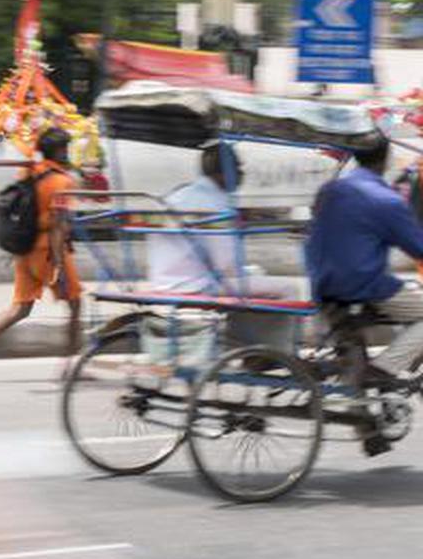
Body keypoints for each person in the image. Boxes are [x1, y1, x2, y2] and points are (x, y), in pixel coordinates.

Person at [0, 128, 82, 381]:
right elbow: (59, 224)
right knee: (76, 305)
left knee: (20, 308)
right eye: (65, 148)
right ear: (58, 151)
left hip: (24, 249)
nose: (68, 153)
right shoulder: (62, 182)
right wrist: (57, 263)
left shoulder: (28, 171)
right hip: (48, 250)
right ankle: (70, 366)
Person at [147, 143, 299, 353]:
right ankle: (269, 354)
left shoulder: (176, 196)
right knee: (288, 289)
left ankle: (247, 346)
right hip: (198, 285)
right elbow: (227, 266)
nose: (241, 174)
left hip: (164, 281)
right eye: (237, 168)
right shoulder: (218, 205)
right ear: (224, 172)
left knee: (253, 279)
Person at [307, 136, 423, 381]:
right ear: (386, 159)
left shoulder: (329, 189)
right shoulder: (386, 200)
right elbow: (418, 247)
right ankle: (384, 369)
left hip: (321, 282)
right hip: (362, 285)